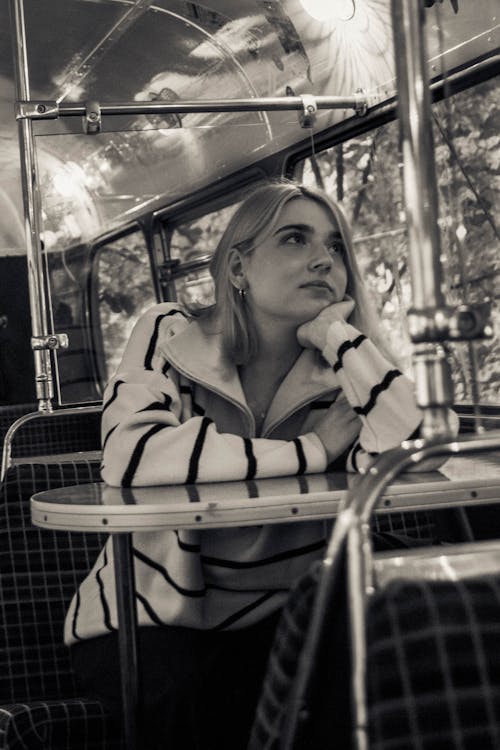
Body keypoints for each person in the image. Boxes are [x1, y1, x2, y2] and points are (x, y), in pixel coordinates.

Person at [67, 180, 455, 749]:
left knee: (393, 657)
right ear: (239, 267)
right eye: (294, 239)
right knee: (197, 694)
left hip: (289, 609)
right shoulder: (168, 333)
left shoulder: (343, 368)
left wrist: (340, 336)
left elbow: (420, 453)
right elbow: (132, 457)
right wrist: (311, 452)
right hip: (153, 615)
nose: (324, 258)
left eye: (337, 247)